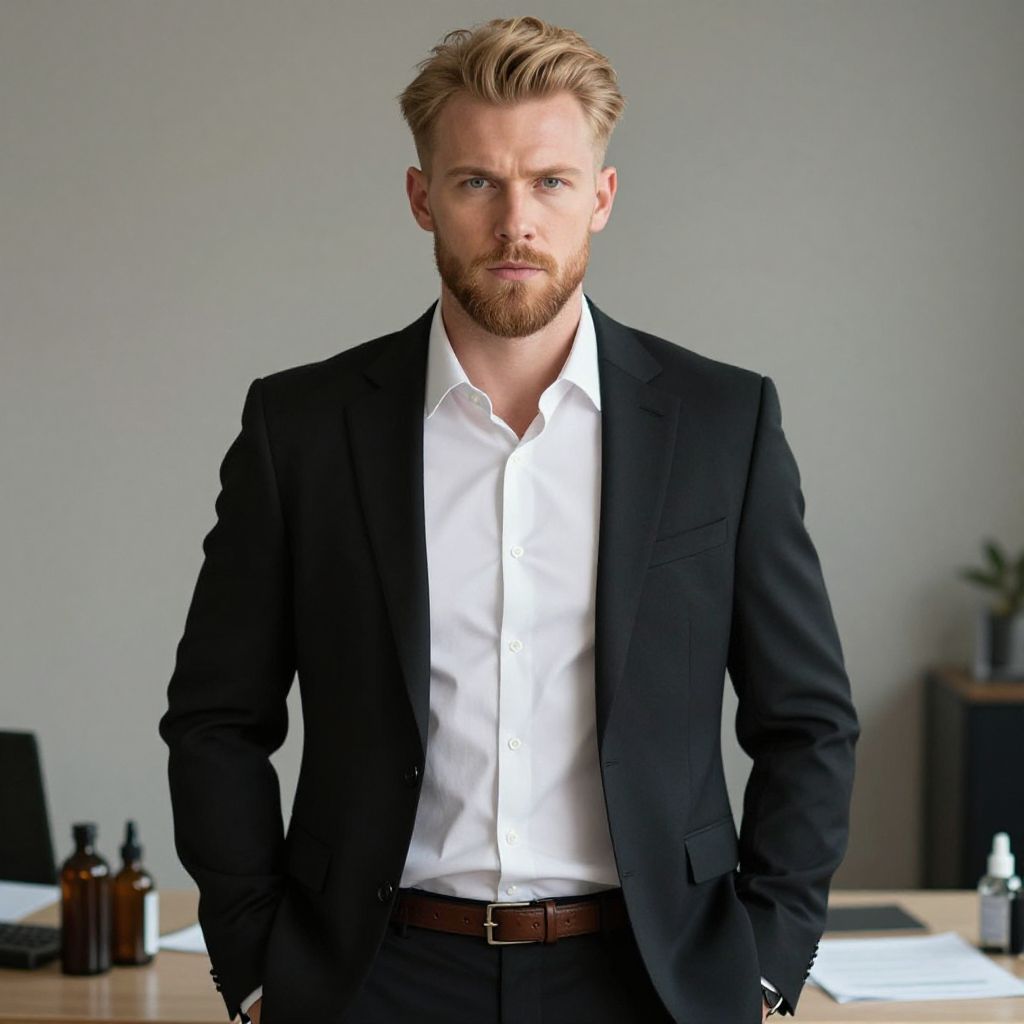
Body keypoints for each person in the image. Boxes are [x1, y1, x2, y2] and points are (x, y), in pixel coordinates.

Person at [158, 16, 859, 1024]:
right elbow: (215, 716)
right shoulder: (302, 429)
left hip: (649, 979)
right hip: (371, 976)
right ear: (422, 198)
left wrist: (763, 965)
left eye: (551, 182)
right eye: (477, 182)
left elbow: (808, 720)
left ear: (601, 199)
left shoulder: (721, 423)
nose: (515, 222)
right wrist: (258, 962)